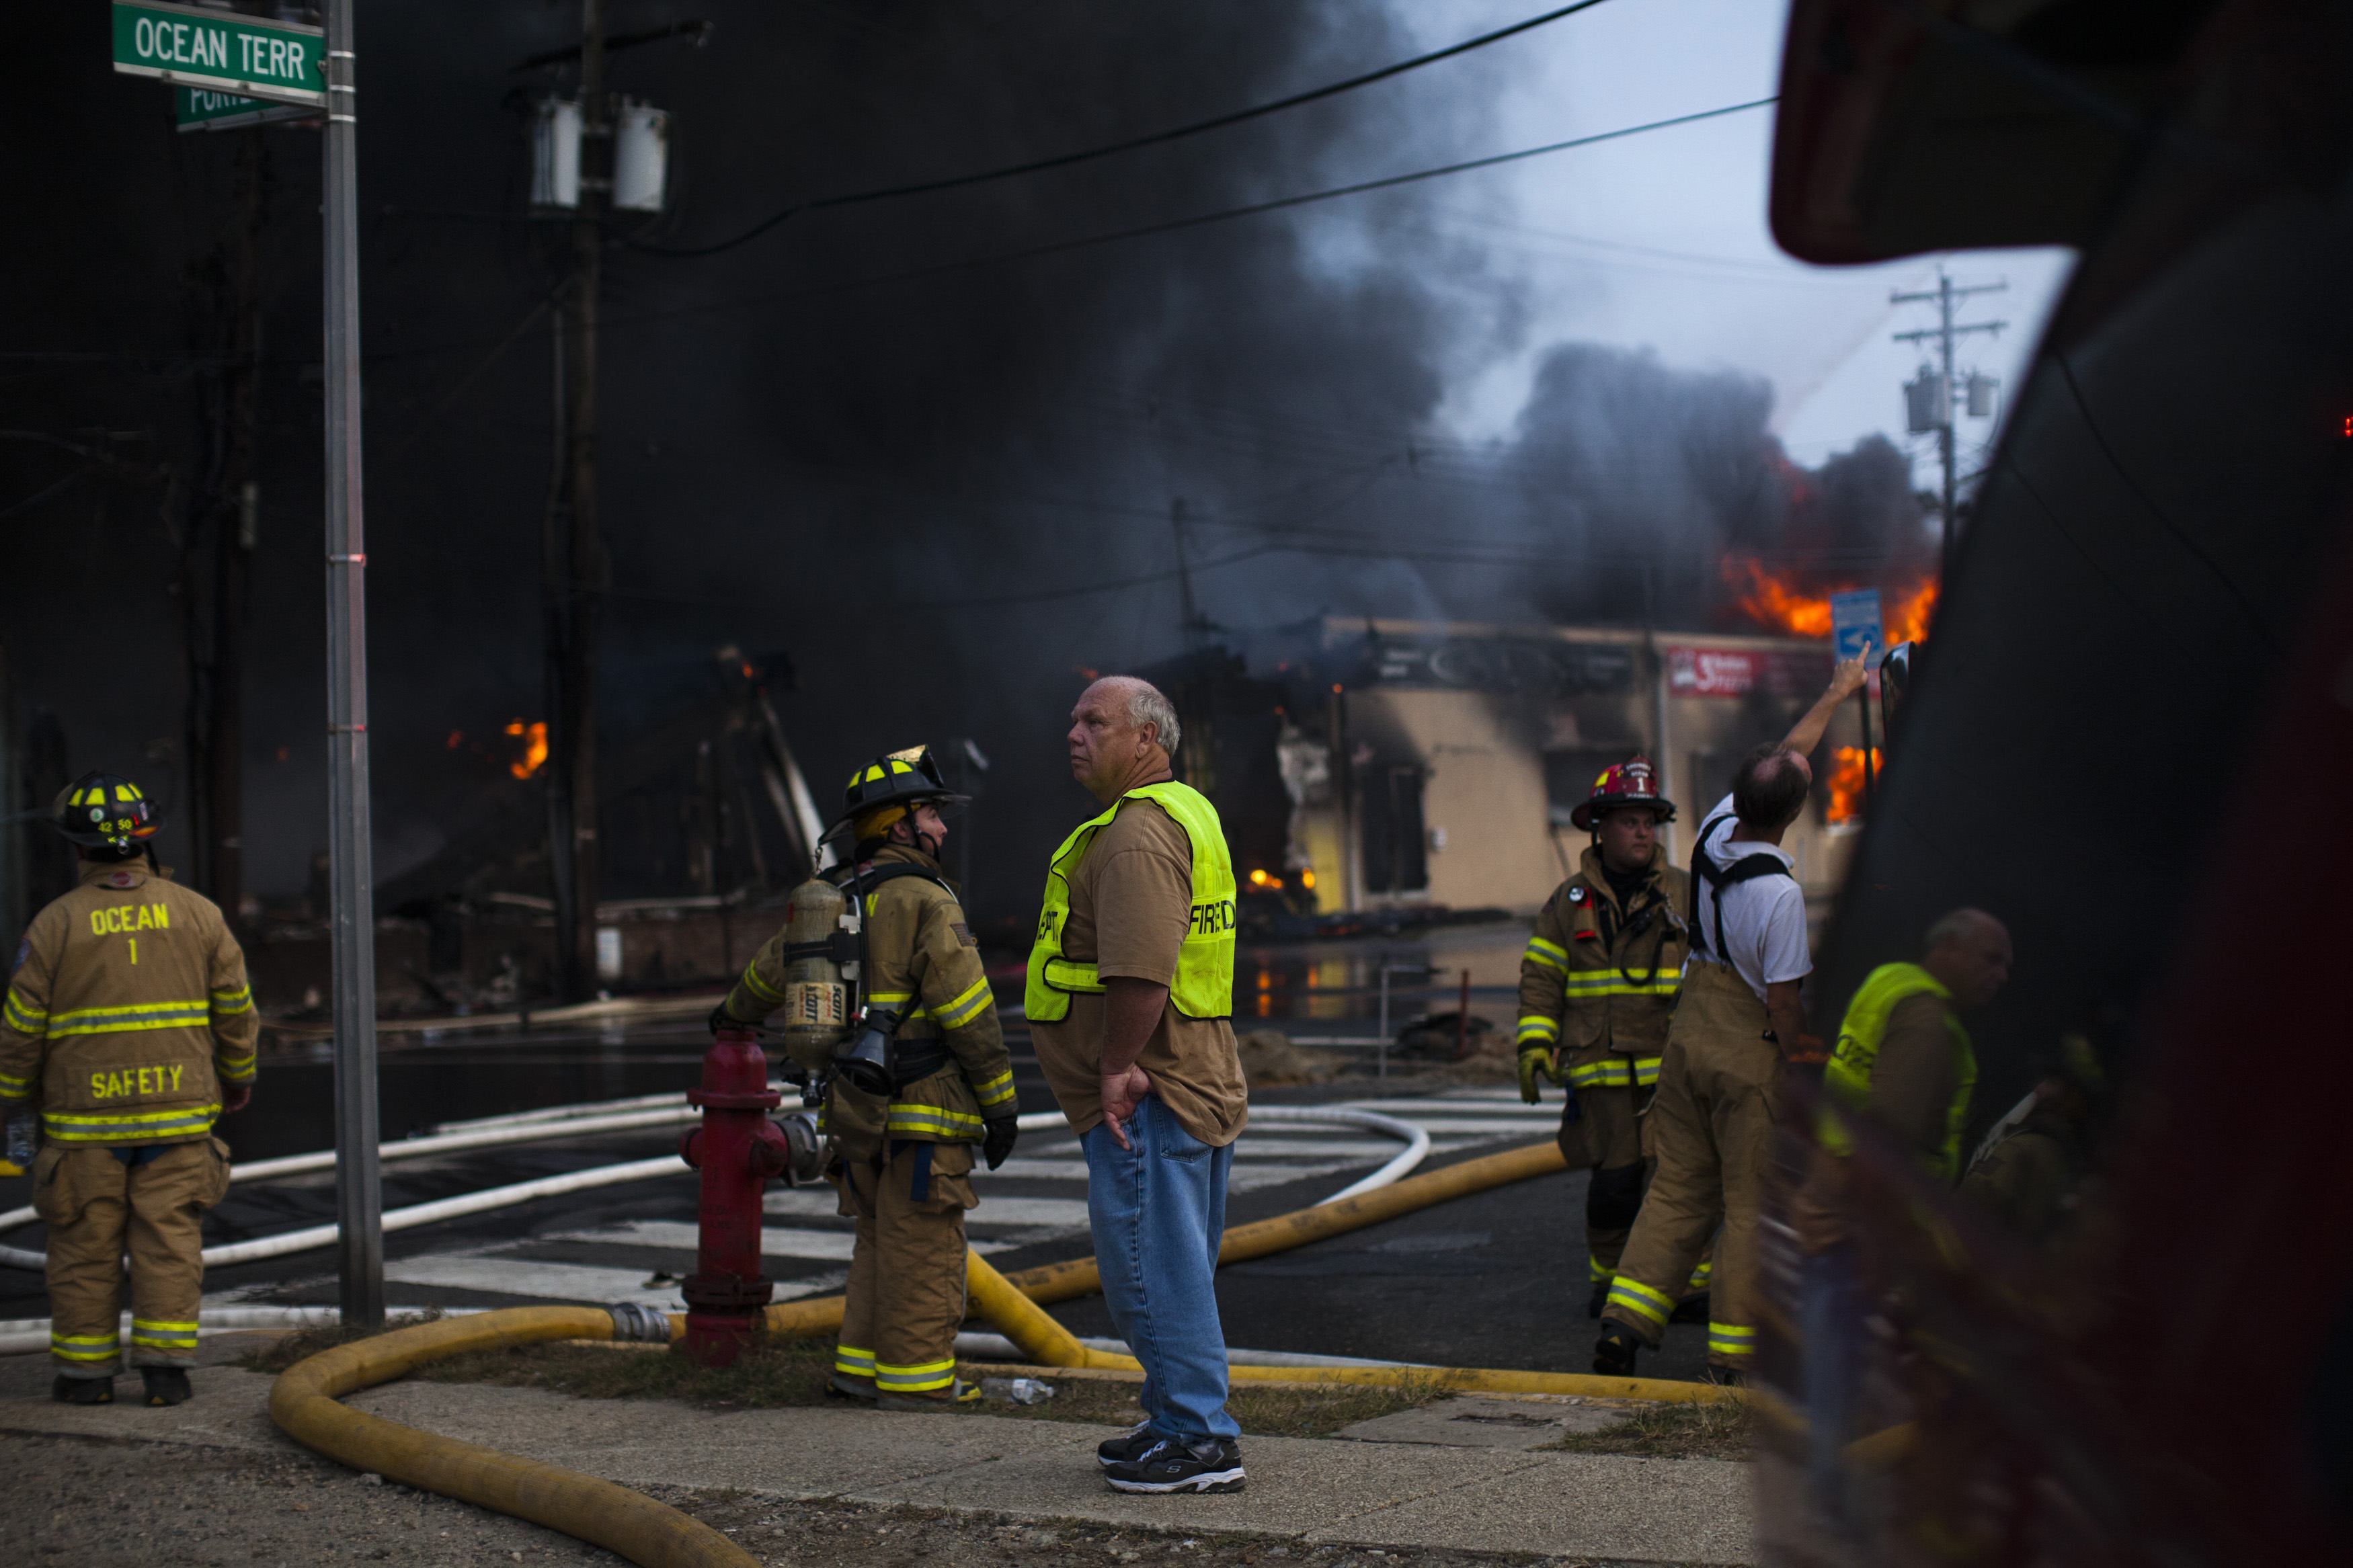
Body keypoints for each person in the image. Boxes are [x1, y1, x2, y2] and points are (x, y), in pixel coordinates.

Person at [1594, 647, 1871, 1383]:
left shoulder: (1716, 826)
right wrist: (1805, 1061)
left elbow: (1787, 756)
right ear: (1793, 812)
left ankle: (1622, 1324)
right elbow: (1782, 1001)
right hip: (1747, 1049)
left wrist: (1837, 689)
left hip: (1689, 1033)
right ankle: (1734, 1357)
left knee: (1679, 1184)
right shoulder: (1778, 896)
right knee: (1751, 1202)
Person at [715, 747, 1017, 1410]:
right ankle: (918, 1384)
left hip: (853, 1112)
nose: (941, 826)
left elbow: (770, 971)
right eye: (931, 812)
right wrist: (1000, 1106)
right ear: (900, 825)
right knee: (925, 1253)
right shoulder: (927, 900)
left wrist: (729, 1017)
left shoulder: (828, 902)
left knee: (878, 1245)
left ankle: (857, 1371)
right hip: (925, 1112)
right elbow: (969, 1016)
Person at [1026, 676, 1247, 1495]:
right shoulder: (1184, 812)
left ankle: (1196, 1437)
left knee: (1150, 1270)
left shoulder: (1133, 836)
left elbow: (1140, 973)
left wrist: (1116, 1066)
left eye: (1095, 720)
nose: (1073, 732)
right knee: (1174, 1263)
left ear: (1146, 739)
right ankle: (1172, 1418)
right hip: (1191, 1076)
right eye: (1073, 716)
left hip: (1148, 1094)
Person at [0, 772, 255, 1407]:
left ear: (76, 846)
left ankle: (85, 1377)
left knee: (84, 1248)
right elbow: (236, 1009)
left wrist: (13, 1098)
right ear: (147, 838)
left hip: (84, 1130)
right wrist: (238, 1077)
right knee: (169, 1244)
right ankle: (166, 1373)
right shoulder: (199, 914)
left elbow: (20, 1029)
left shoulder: (55, 924)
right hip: (178, 1121)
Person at [1793, 907, 2013, 1519]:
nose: (2002, 976)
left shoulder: (1887, 983)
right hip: (1859, 1224)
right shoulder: (1930, 1025)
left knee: (1831, 1362)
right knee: (1845, 1370)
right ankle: (1835, 1506)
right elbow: (1886, 1141)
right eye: (1992, 959)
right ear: (1949, 950)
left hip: (1829, 1201)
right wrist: (1877, 1245)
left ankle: (1829, 1492)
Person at [1515, 757, 1702, 1317]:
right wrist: (1533, 1042)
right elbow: (1542, 977)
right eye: (1629, 820)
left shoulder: (1687, 895)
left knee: (1682, 1184)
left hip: (1672, 1071)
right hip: (1600, 1074)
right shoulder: (1569, 904)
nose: (1643, 831)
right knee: (1615, 1187)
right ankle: (1612, 1284)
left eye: (1649, 820)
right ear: (1600, 827)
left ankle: (1689, 1287)